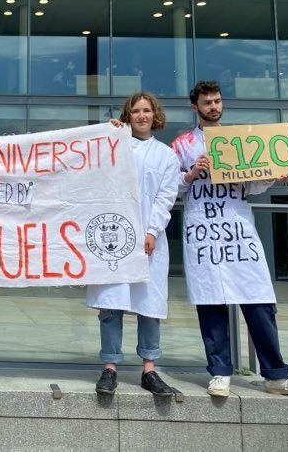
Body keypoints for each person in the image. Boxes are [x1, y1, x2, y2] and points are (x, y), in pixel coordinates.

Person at [171, 80, 288, 398]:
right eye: (207, 102)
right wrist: (191, 173)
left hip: (239, 229)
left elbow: (252, 186)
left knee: (259, 300)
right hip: (204, 231)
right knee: (210, 302)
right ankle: (220, 371)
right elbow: (171, 189)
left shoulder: (240, 141)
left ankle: (276, 374)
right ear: (194, 107)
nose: (214, 107)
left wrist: (274, 175)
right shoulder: (182, 144)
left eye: (217, 101)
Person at [88, 93, 181, 396]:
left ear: (155, 115)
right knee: (112, 305)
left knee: (148, 305)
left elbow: (165, 198)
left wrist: (152, 231)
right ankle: (110, 367)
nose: (141, 115)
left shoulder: (166, 156)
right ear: (128, 115)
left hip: (147, 241)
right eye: (135, 111)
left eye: (147, 110)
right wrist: (109, 133)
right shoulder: (116, 145)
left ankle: (149, 369)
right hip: (114, 236)